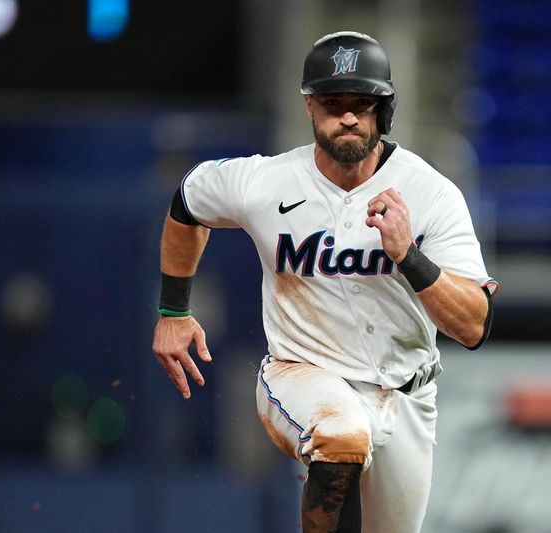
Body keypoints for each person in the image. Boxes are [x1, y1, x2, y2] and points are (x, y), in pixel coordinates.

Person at [152, 31, 498, 533]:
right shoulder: (267, 181)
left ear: (384, 109)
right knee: (342, 434)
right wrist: (173, 312)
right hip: (301, 373)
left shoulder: (430, 194)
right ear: (310, 107)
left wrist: (408, 256)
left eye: (363, 102)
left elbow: (475, 325)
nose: (349, 117)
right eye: (334, 103)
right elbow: (188, 201)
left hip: (407, 395)